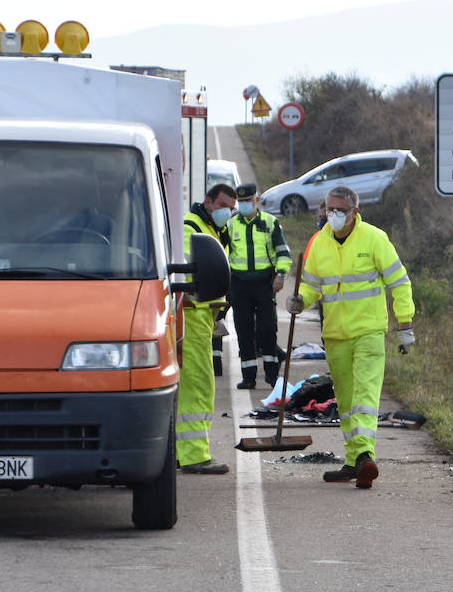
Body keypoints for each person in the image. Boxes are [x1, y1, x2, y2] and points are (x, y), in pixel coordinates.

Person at [287, 185, 415, 489]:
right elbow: (311, 286)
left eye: (340, 210)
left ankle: (365, 456)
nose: (333, 214)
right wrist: (300, 301)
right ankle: (354, 460)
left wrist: (405, 323)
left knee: (364, 397)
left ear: (354, 211)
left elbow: (399, 282)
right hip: (335, 335)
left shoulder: (374, 238)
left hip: (368, 332)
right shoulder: (320, 244)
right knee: (345, 400)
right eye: (329, 208)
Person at [175, 183, 236, 475]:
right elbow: (189, 280)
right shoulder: (193, 229)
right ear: (207, 202)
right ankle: (194, 455)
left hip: (202, 318)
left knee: (191, 386)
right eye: (223, 205)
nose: (228, 212)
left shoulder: (211, 230)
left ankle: (181, 452)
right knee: (197, 387)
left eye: (232, 209)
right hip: (192, 318)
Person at [226, 183, 291, 389]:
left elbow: (283, 253)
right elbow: (224, 253)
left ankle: (272, 376)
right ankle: (248, 377)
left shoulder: (270, 223)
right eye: (241, 201)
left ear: (257, 199)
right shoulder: (231, 224)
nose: (245, 205)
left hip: (265, 284)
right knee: (244, 332)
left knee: (267, 329)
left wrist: (280, 275)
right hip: (240, 284)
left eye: (248, 200)